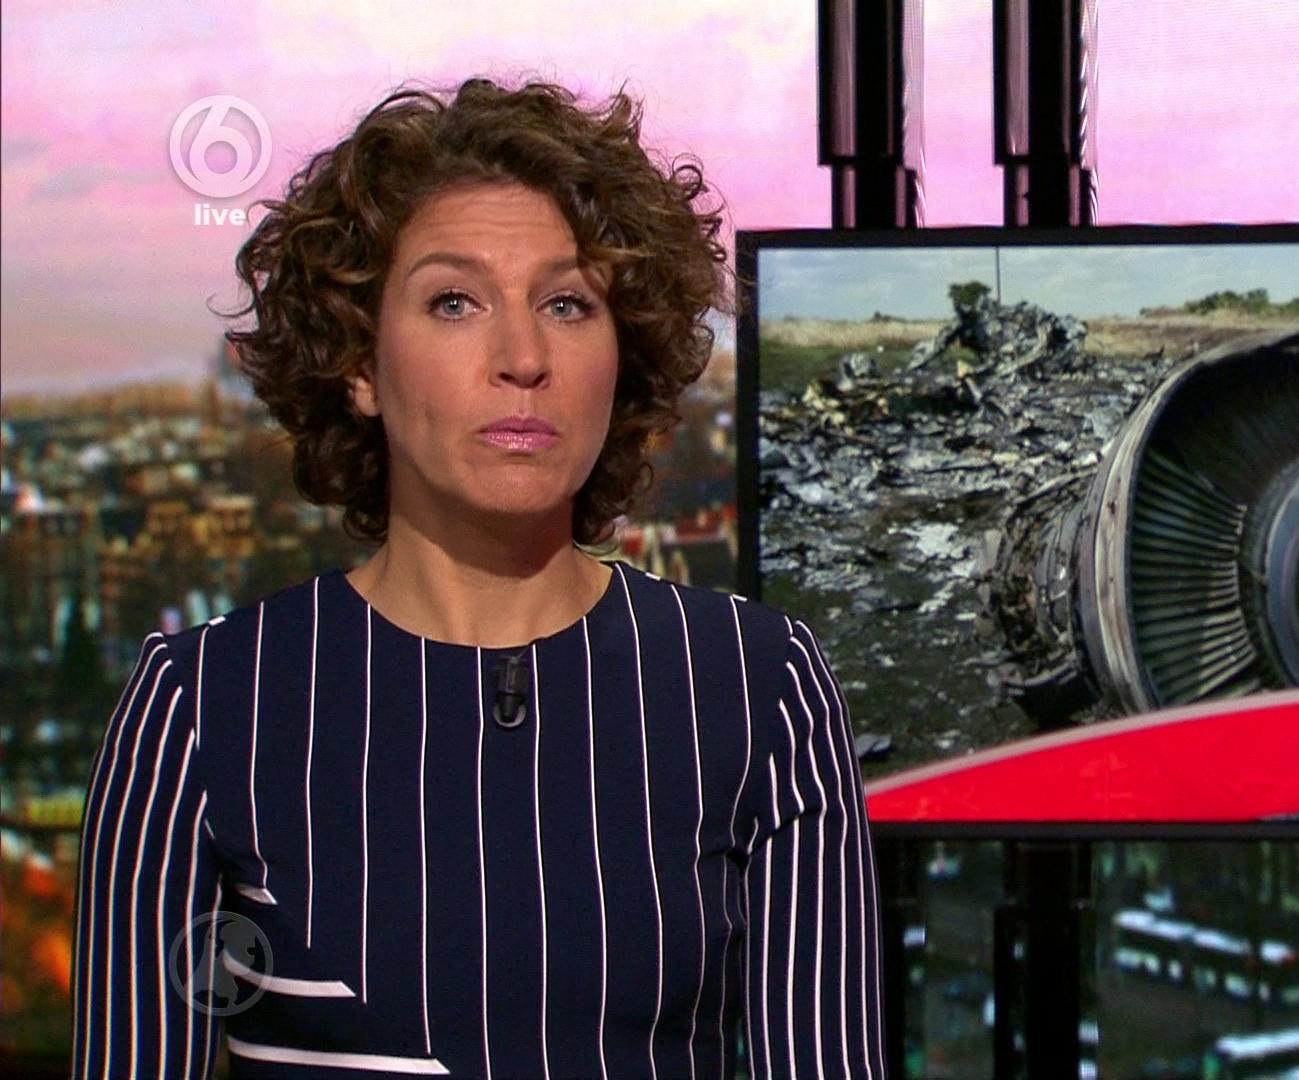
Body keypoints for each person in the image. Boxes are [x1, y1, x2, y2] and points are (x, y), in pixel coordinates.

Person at [69, 76, 885, 1079]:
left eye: (568, 303)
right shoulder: (204, 708)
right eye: (454, 302)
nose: (523, 357)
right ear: (359, 365)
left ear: (622, 356)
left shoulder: (758, 688)